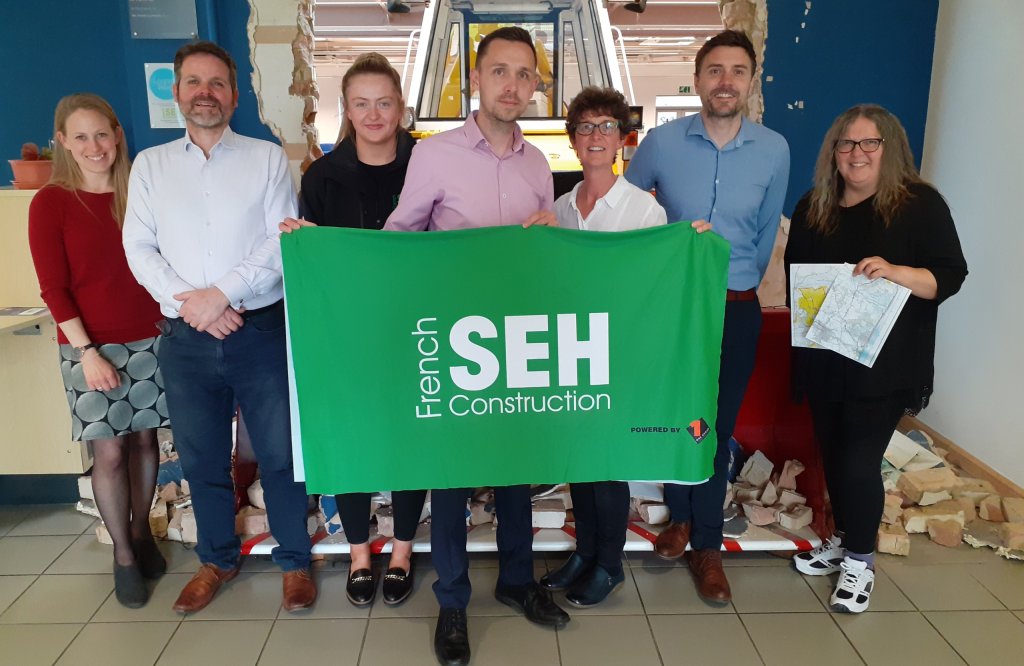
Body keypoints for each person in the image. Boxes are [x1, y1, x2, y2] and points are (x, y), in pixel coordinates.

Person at [384, 26, 568, 666]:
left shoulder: (538, 163)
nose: (512, 85)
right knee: (452, 476)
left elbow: (548, 257)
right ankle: (454, 602)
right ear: (477, 78)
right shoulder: (435, 155)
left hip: (517, 342)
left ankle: (518, 580)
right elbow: (400, 236)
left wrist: (551, 234)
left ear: (534, 86)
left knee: (517, 469)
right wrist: (325, 251)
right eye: (500, 71)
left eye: (525, 74)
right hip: (457, 343)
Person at [122, 41, 315, 615]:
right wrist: (195, 306)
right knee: (204, 458)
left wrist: (222, 294)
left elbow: (280, 241)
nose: (205, 93)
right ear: (177, 91)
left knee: (279, 455)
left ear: (234, 95)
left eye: (217, 84)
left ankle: (295, 562)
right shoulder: (151, 166)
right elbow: (139, 248)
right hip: (186, 338)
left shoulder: (266, 158)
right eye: (194, 82)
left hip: (258, 329)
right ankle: (217, 559)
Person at [625, 29, 790, 604]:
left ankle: (707, 543)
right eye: (714, 70)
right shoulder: (661, 144)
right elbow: (629, 215)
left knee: (717, 424)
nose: (726, 81)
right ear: (697, 81)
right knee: (676, 415)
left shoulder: (774, 149)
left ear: (750, 80)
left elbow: (768, 233)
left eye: (737, 71)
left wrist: (739, 284)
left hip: (736, 308)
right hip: (673, 310)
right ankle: (680, 518)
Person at [785, 104, 966, 612]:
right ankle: (844, 539)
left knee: (859, 461)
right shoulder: (812, 206)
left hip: (885, 363)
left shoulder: (919, 205)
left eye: (869, 144)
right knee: (834, 452)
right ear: (833, 153)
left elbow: (947, 277)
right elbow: (799, 274)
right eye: (847, 144)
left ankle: (860, 564)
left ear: (890, 148)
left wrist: (895, 271)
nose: (857, 154)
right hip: (826, 355)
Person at [542, 86, 710, 607]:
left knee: (608, 464)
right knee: (580, 462)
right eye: (585, 127)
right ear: (572, 140)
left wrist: (689, 247)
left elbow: (653, 283)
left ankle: (609, 564)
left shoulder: (643, 210)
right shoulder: (560, 208)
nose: (596, 137)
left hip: (617, 354)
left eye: (606, 127)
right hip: (570, 351)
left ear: (623, 139)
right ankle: (585, 550)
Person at [279, 52, 425, 608]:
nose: (373, 113)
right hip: (346, 336)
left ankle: (405, 549)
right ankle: (361, 551)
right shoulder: (322, 176)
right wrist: (302, 240)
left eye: (384, 102)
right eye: (360, 103)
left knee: (413, 438)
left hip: (416, 328)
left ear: (401, 108)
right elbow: (314, 257)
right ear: (346, 109)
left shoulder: (428, 165)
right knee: (351, 438)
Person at [28, 93, 169, 609]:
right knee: (110, 452)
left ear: (118, 136)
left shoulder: (140, 192)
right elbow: (54, 288)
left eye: (102, 134)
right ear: (62, 141)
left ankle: (142, 533)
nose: (94, 147)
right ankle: (124, 557)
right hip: (88, 346)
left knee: (146, 444)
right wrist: (87, 351)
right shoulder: (52, 202)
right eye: (81, 136)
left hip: (150, 337)